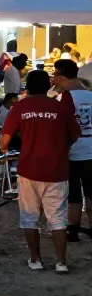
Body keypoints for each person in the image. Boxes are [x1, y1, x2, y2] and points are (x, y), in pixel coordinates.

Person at [1, 69, 77, 272]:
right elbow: (74, 135)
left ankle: (35, 259)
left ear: (27, 87)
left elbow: (4, 142)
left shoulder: (19, 107)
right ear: (48, 87)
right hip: (57, 170)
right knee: (58, 218)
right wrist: (62, 147)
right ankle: (61, 262)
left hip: (29, 170)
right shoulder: (60, 108)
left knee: (29, 217)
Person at [52, 59, 92, 243]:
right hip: (90, 151)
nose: (53, 79)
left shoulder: (63, 99)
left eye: (55, 74)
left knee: (73, 194)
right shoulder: (90, 95)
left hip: (72, 152)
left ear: (61, 76)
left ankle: (73, 230)